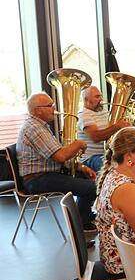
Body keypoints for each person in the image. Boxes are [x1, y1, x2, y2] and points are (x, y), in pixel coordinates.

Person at [17, 92, 97, 230]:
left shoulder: (41, 126)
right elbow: (60, 156)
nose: (54, 108)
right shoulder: (34, 128)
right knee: (92, 188)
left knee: (90, 179)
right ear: (38, 110)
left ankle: (83, 218)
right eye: (50, 105)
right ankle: (80, 225)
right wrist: (77, 144)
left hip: (47, 174)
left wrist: (81, 167)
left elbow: (57, 156)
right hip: (37, 180)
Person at [93, 127, 135, 275]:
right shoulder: (127, 189)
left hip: (130, 256)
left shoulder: (125, 174)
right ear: (128, 157)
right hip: (133, 261)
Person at [77, 86, 131, 172]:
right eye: (97, 97)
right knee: (114, 165)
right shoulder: (83, 115)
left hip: (107, 154)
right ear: (86, 100)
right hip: (91, 158)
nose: (101, 100)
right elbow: (96, 137)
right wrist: (117, 126)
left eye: (101, 96)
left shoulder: (104, 112)